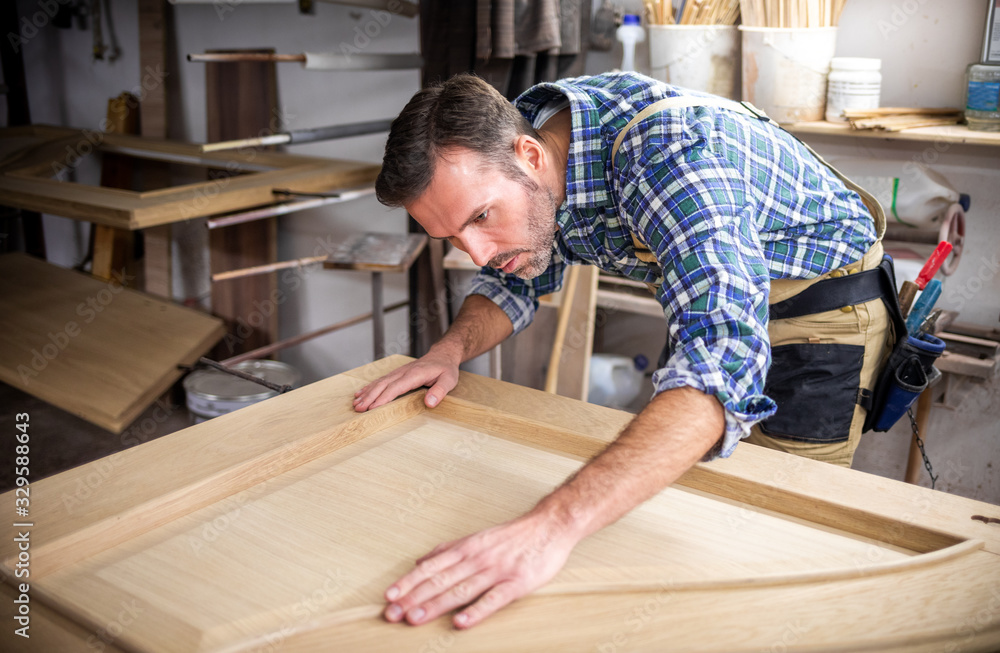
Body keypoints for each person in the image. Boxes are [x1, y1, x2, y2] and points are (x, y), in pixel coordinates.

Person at [352, 71, 893, 630]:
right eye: (455, 239)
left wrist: (547, 528)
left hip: (821, 312)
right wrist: (446, 352)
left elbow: (722, 355)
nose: (479, 254)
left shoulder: (668, 155)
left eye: (481, 219)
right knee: (684, 503)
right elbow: (513, 283)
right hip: (722, 295)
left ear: (531, 156)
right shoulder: (521, 161)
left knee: (777, 530)